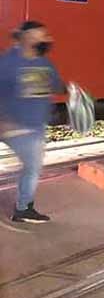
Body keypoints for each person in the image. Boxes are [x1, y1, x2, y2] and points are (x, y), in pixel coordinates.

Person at [0, 21, 66, 224]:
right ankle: (23, 209)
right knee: (32, 168)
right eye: (40, 36)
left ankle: (23, 207)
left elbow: (57, 85)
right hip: (15, 126)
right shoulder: (9, 62)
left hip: (34, 126)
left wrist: (70, 90)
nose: (46, 40)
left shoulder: (44, 63)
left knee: (32, 167)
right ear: (27, 38)